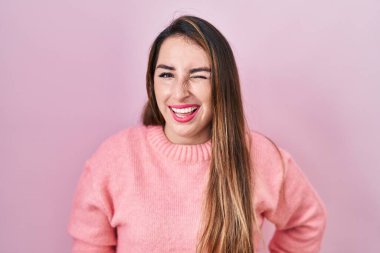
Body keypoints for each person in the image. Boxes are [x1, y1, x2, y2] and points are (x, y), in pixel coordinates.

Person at [67, 15, 327, 253]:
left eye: (198, 76)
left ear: (222, 85)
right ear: (152, 82)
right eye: (167, 74)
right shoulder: (113, 160)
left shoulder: (260, 157)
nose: (180, 92)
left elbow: (307, 220)